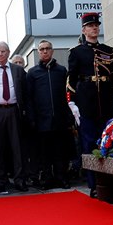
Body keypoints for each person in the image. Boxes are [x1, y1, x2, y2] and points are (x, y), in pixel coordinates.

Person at [66, 12, 113, 198]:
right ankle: (94, 184)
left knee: (107, 143)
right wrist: (72, 102)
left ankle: (109, 181)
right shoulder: (76, 52)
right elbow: (71, 80)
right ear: (84, 30)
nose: (94, 28)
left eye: (96, 25)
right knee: (89, 144)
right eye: (90, 26)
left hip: (105, 101)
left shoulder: (108, 50)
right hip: (86, 102)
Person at [0, 41, 28, 194]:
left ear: (8, 52)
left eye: (3, 51)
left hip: (14, 110)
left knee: (17, 148)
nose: (1, 54)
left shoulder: (17, 70)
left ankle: (19, 180)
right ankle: (0, 181)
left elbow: (24, 92)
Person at [27, 40, 72, 189]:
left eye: (47, 49)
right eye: (42, 49)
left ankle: (61, 177)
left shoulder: (61, 70)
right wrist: (32, 118)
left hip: (60, 119)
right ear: (38, 52)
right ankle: (46, 178)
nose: (45, 51)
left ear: (52, 51)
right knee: (44, 153)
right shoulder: (33, 73)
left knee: (60, 151)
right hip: (42, 120)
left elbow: (68, 95)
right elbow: (29, 98)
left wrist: (69, 116)